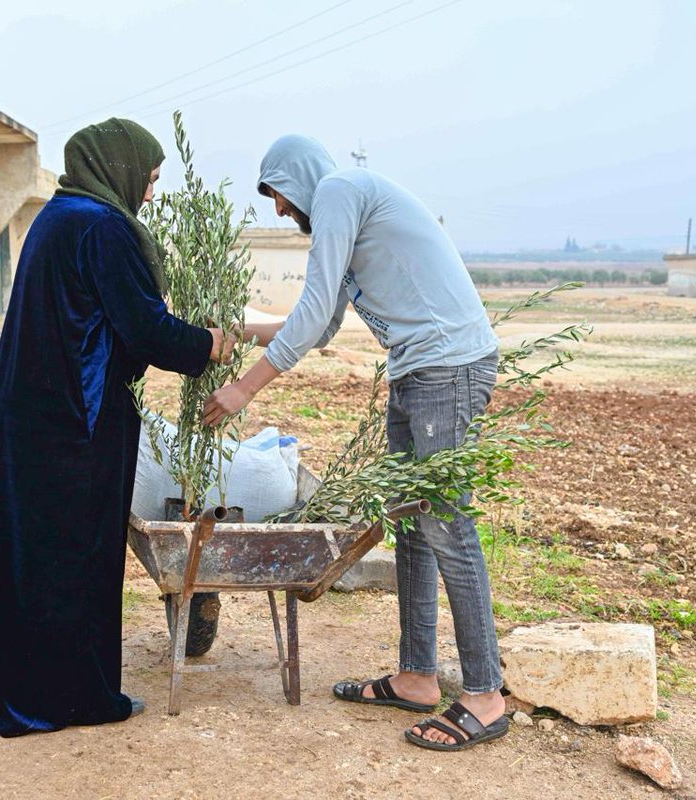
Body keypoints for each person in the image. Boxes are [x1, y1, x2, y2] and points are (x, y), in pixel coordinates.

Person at [203, 135, 508, 751]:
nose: (281, 212)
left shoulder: (340, 191)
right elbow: (320, 327)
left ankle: (484, 693)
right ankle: (417, 676)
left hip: (447, 367)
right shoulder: (342, 215)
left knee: (447, 522)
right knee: (413, 524)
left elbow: (312, 312)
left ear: (304, 177)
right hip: (419, 369)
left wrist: (244, 389)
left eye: (281, 196)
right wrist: (235, 330)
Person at [0, 118, 232, 735]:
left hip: (30, 417)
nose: (150, 194)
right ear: (118, 168)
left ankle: (27, 693)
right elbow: (144, 328)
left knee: (34, 555)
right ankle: (75, 699)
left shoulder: (58, 216)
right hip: (74, 423)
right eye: (148, 179)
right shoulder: (102, 227)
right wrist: (210, 345)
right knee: (77, 555)